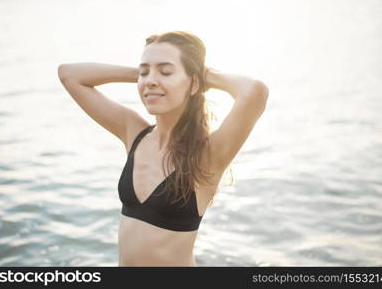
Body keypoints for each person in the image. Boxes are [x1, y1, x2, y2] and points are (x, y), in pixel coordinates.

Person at [57, 30, 269, 266]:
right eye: (144, 71)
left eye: (166, 71)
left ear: (194, 83)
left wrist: (203, 76)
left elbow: (254, 92)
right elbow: (69, 75)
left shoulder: (209, 154)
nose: (150, 81)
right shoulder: (134, 132)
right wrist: (145, 75)